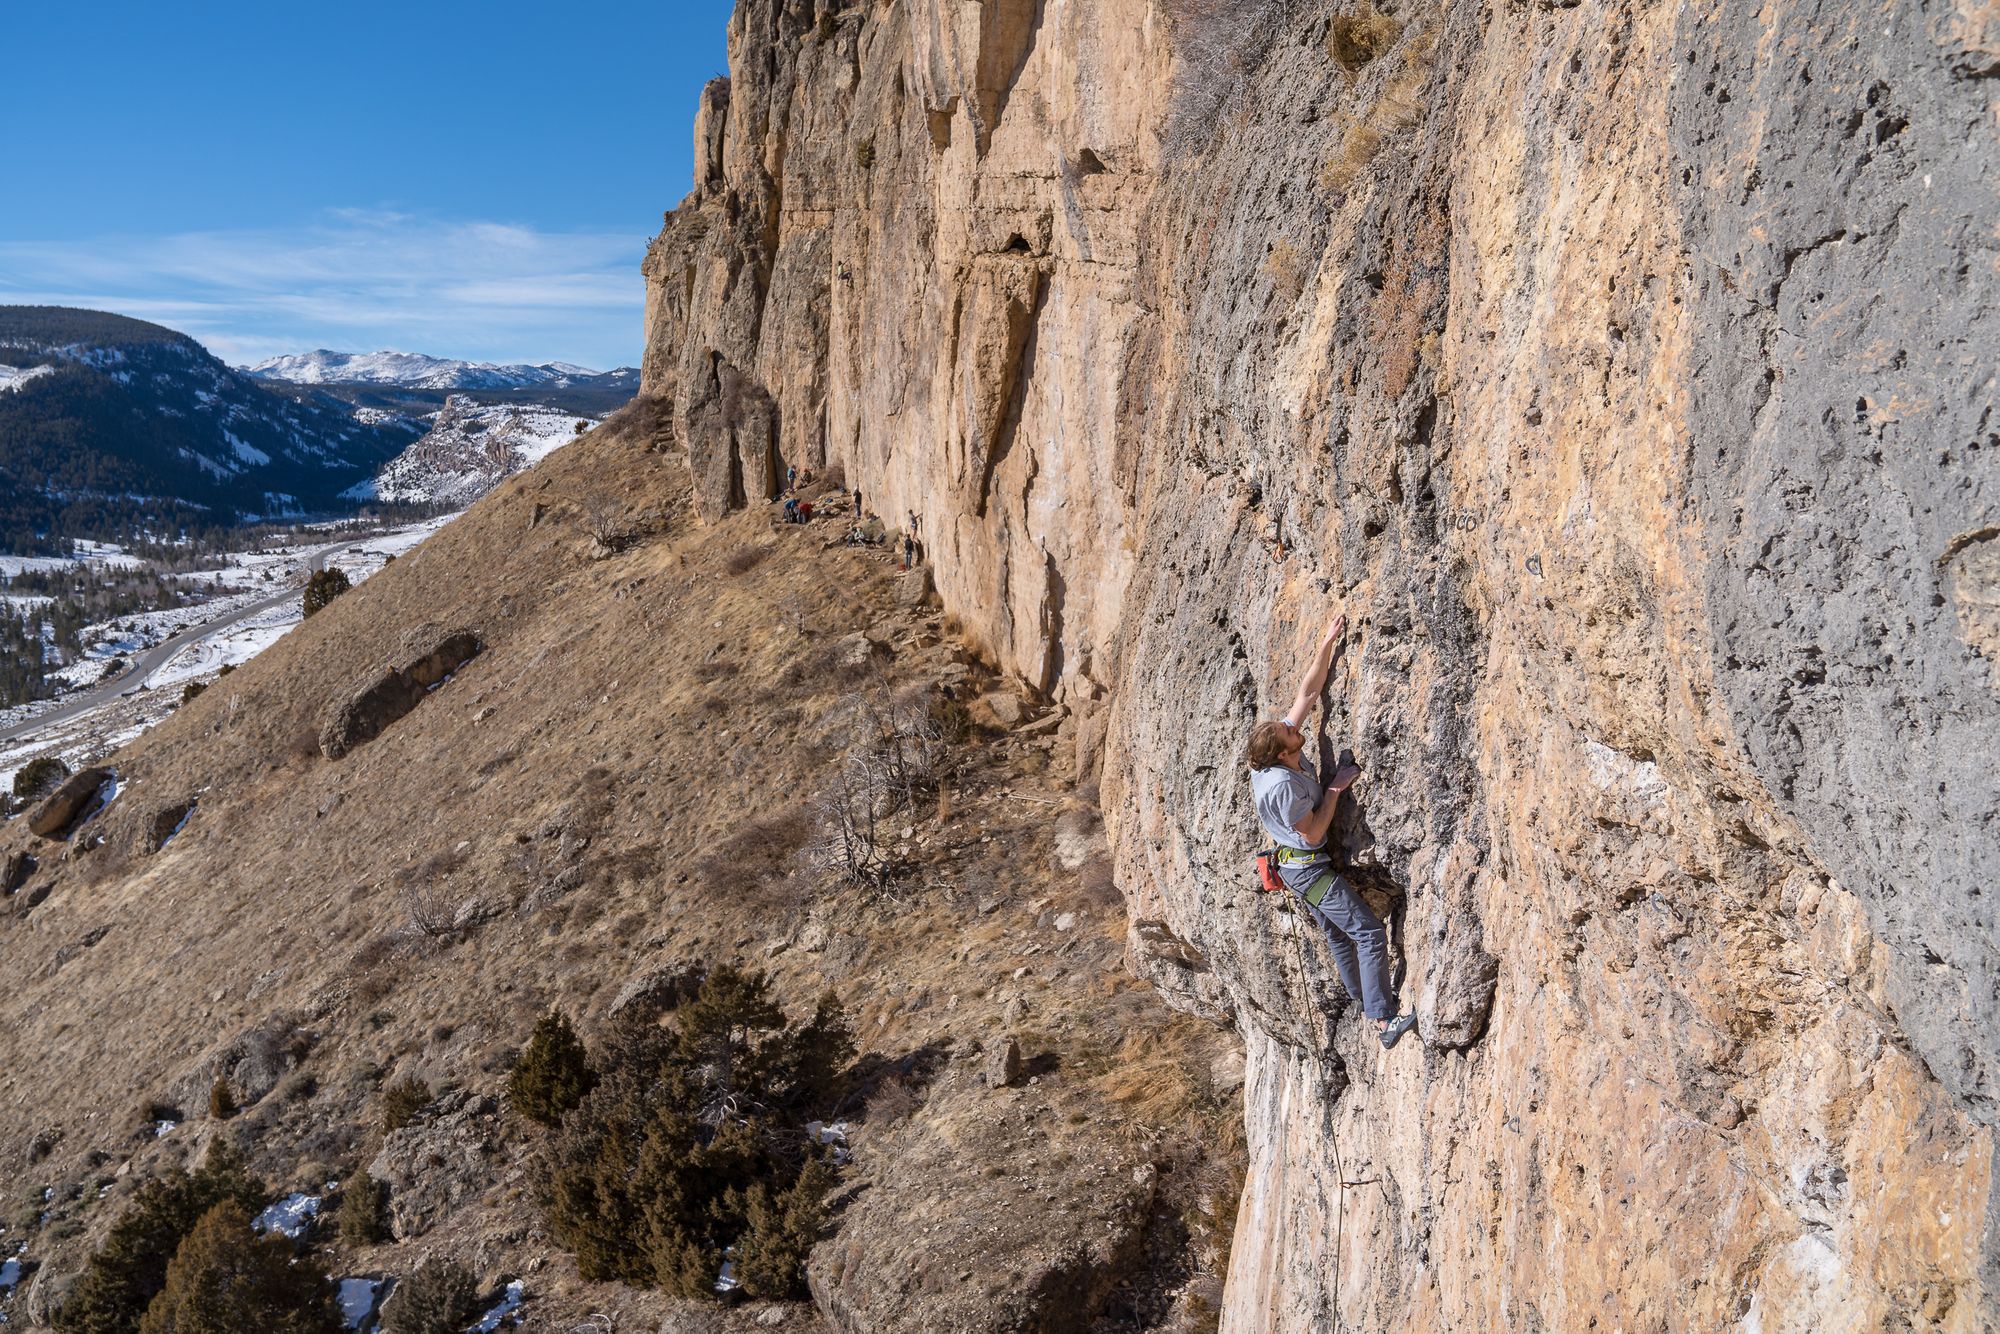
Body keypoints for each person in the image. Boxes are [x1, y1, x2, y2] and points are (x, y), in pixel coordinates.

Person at [1247, 613, 1416, 1049]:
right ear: (1283, 753)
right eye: (1289, 732)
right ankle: (1383, 1021)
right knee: (1368, 932)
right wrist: (1335, 789)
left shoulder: (1276, 759)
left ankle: (1363, 997)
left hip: (1297, 868)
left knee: (1337, 933)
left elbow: (1309, 690)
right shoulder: (1283, 786)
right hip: (1307, 868)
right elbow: (1311, 833)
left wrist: (1327, 642)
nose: (1294, 726)